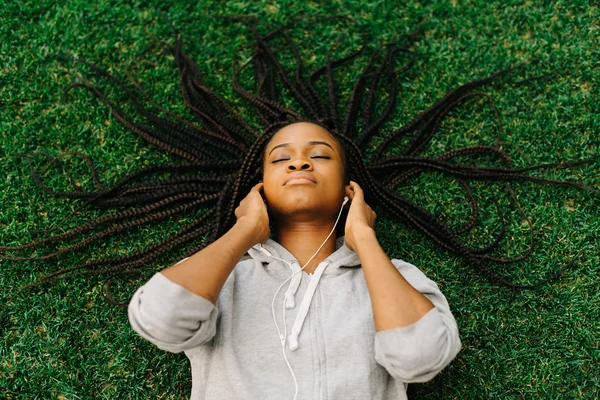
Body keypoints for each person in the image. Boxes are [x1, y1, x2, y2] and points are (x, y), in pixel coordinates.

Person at [128, 120, 461, 400]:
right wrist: (244, 230)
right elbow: (160, 318)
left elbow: (422, 357)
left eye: (319, 155)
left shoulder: (395, 277)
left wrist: (363, 238)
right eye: (280, 159)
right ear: (258, 189)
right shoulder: (222, 278)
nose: (299, 163)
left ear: (350, 190)